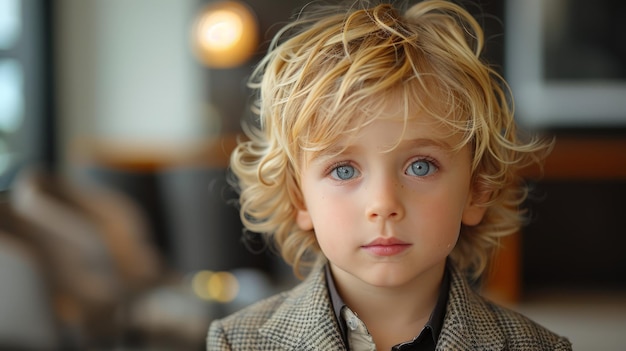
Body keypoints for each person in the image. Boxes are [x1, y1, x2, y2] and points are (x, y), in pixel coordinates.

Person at [207, 0, 572, 350]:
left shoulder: (538, 347)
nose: (383, 205)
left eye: (420, 166)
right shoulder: (238, 342)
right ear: (299, 197)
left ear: (476, 191)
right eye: (344, 170)